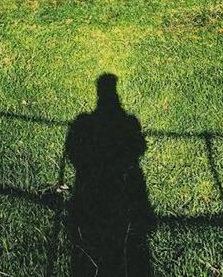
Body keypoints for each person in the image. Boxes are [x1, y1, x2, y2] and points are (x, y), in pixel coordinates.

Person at [65, 73, 155, 276]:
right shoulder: (129, 122)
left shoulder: (84, 122)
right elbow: (139, 147)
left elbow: (72, 150)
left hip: (94, 187)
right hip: (120, 184)